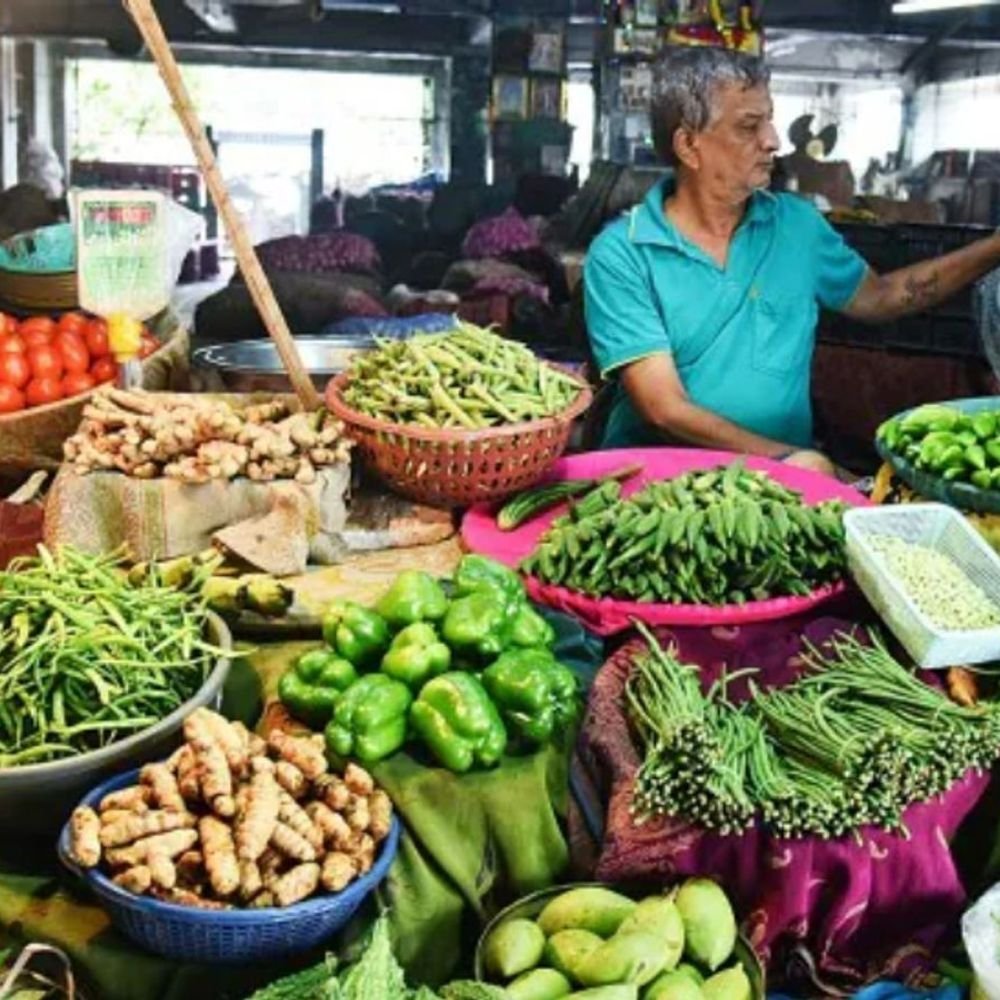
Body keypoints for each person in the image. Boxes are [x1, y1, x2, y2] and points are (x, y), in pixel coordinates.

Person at [584, 46, 1000, 472]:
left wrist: (993, 247)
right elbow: (664, 409)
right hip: (654, 479)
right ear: (689, 145)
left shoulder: (798, 226)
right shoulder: (623, 253)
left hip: (777, 490)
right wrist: (787, 459)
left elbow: (883, 296)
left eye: (769, 119)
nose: (773, 141)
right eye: (749, 126)